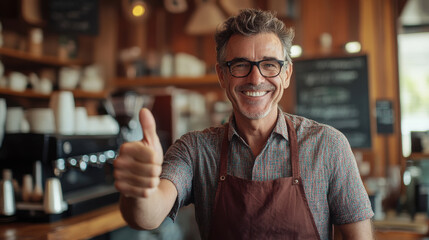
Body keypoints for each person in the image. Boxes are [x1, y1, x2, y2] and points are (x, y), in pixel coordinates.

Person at [114, 9, 374, 240]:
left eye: (269, 65)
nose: (255, 78)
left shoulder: (328, 145)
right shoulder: (195, 150)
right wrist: (139, 191)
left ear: (286, 74)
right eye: (240, 65)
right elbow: (147, 217)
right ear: (222, 75)